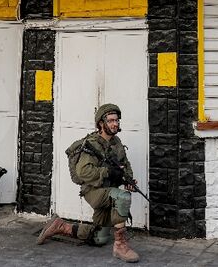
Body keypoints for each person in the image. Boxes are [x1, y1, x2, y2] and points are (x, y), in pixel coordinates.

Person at [37, 103, 140, 263]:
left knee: (100, 238)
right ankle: (120, 246)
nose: (115, 124)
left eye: (117, 120)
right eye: (111, 120)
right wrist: (107, 172)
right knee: (122, 197)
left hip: (107, 190)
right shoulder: (92, 144)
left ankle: (61, 226)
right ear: (101, 123)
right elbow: (83, 172)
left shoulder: (116, 142)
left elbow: (124, 164)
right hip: (93, 191)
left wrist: (129, 180)